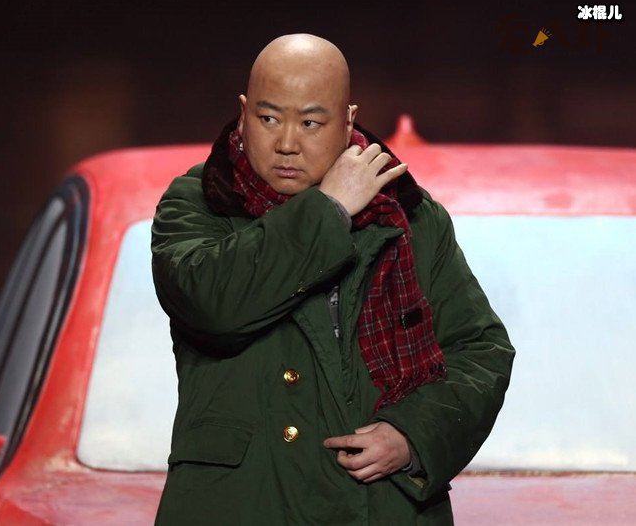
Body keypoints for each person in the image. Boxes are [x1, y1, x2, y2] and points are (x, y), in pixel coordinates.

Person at [151, 33, 514, 525]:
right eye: (268, 118)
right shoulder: (200, 202)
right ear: (242, 113)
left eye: (310, 123)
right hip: (241, 502)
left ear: (346, 122)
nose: (286, 143)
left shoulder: (407, 214)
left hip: (381, 505)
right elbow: (214, 303)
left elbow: (479, 349)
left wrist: (412, 436)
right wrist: (331, 209)